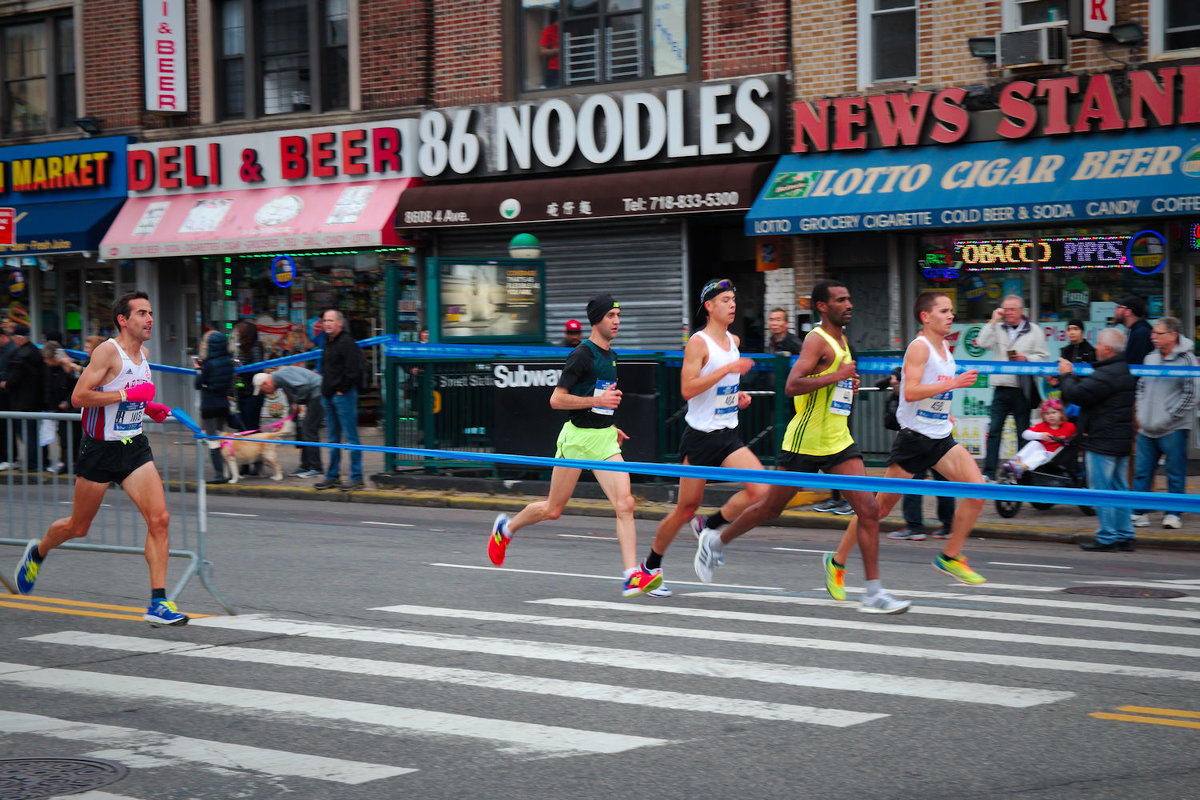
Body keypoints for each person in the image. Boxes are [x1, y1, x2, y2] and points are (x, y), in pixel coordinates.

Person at [693, 280, 911, 614]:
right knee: (770, 508)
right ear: (823, 307)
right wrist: (835, 377)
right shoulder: (815, 340)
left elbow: (831, 384)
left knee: (868, 510)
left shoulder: (842, 339)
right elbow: (793, 385)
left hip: (838, 440)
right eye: (841, 300)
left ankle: (873, 592)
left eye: (850, 298)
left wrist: (847, 385)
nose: (848, 304)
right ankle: (716, 540)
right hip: (804, 443)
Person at [11, 290, 187, 625]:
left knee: (160, 520)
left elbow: (131, 399)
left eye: (150, 312)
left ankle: (158, 602)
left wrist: (148, 407)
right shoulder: (108, 351)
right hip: (99, 450)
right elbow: (79, 396)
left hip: (133, 446)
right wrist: (127, 394)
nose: (150, 319)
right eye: (142, 313)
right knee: (78, 527)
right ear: (123, 320)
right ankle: (38, 551)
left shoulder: (144, 355)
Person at [488, 294, 663, 598]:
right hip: (576, 440)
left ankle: (631, 575)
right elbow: (556, 400)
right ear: (596, 320)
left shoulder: (612, 356)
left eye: (618, 315)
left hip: (604, 439)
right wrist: (597, 402)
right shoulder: (581, 355)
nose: (617, 321)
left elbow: (602, 400)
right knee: (553, 510)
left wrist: (609, 423)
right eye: (610, 316)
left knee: (626, 503)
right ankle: (506, 529)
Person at [827, 290, 989, 597]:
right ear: (926, 317)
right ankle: (837, 562)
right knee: (875, 510)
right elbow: (911, 392)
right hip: (915, 440)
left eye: (951, 310)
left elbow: (935, 391)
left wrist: (946, 412)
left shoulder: (944, 347)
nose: (950, 315)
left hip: (940, 437)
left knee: (979, 490)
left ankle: (950, 556)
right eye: (943, 311)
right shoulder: (920, 347)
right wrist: (954, 384)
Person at [643, 279, 765, 597]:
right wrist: (727, 372)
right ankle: (650, 568)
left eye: (733, 299)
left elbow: (719, 388)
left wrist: (737, 396)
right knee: (685, 508)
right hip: (699, 437)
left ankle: (710, 526)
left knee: (762, 491)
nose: (732, 304)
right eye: (725, 299)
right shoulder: (698, 343)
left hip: (728, 434)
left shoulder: (733, 341)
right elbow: (688, 389)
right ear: (709, 307)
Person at [1058, 327, 1136, 552]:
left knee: (1101, 489)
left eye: (1099, 344)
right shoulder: (1122, 370)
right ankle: (1125, 534)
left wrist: (1066, 375)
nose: (1095, 348)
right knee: (1120, 487)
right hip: (1119, 440)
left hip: (1103, 441)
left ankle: (1107, 536)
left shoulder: (1107, 373)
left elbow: (1078, 395)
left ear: (1108, 349)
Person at [1130, 316, 1196, 530]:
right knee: (1142, 472)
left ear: (1173, 335)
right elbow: (1141, 384)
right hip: (1147, 428)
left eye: (1158, 333)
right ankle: (1139, 512)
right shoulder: (1150, 358)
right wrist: (1140, 409)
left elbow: (1191, 393)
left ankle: (1173, 513)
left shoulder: (1187, 359)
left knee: (1174, 473)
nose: (1153, 337)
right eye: (1154, 333)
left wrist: (1170, 416)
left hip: (1173, 428)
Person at [878, 368, 956, 541]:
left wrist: (898, 389)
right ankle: (946, 526)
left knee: (916, 484)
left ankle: (917, 528)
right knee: (941, 484)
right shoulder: (933, 376)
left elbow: (903, 410)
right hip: (936, 436)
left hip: (919, 440)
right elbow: (891, 421)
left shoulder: (919, 378)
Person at [976, 295, 1048, 479]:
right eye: (1005, 309)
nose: (1007, 313)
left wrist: (1027, 359)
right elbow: (982, 343)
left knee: (1023, 433)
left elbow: (1043, 359)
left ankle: (1021, 473)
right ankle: (989, 473)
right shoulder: (998, 327)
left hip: (1021, 389)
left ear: (1021, 311)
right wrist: (992, 321)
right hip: (1001, 387)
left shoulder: (1035, 331)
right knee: (993, 432)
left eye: (1011, 309)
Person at [315, 309, 365, 491]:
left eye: (330, 320)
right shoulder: (327, 342)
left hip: (342, 396)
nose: (326, 323)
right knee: (332, 438)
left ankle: (356, 477)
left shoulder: (347, 342)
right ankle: (332, 475)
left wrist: (341, 390)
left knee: (351, 437)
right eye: (325, 320)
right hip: (329, 396)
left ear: (340, 323)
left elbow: (354, 370)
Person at [253, 367, 324, 478]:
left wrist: (297, 401)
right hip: (314, 395)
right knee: (303, 430)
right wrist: (283, 423)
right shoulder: (281, 381)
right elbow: (292, 404)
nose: (265, 394)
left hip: (317, 393)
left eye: (263, 390)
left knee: (309, 430)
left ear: (266, 383)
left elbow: (304, 386)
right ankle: (305, 466)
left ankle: (316, 468)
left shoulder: (282, 375)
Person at [195, 328, 235, 484]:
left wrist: (199, 370)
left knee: (212, 440)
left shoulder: (209, 364)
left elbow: (197, 385)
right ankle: (228, 470)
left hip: (209, 405)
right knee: (222, 438)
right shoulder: (229, 362)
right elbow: (231, 384)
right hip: (223, 404)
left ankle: (220, 474)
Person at [3, 323, 44, 472]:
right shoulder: (35, 351)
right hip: (34, 401)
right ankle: (37, 460)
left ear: (19, 338)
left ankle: (32, 463)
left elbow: (13, 380)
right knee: (33, 433)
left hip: (21, 402)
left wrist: (4, 384)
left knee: (26, 434)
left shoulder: (20, 355)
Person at [1004, 398, 1077, 478]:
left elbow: (1077, 438)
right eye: (1047, 414)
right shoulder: (1042, 426)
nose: (1051, 416)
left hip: (1056, 456)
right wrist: (1040, 435)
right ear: (1043, 416)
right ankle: (1016, 462)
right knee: (1034, 443)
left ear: (1061, 413)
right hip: (1042, 452)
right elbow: (1025, 434)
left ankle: (1022, 467)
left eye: (1054, 412)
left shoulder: (1069, 426)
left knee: (1040, 453)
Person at [233, 320, 267, 474]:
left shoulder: (256, 347)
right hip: (242, 393)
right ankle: (245, 463)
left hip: (254, 393)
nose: (237, 334)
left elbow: (257, 369)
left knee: (252, 429)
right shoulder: (241, 348)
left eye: (240, 331)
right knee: (243, 428)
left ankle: (257, 464)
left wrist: (240, 370)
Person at [1045, 318, 1096, 396]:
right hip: (1067, 396)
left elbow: (1094, 377)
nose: (1071, 332)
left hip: (1084, 395)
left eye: (1075, 329)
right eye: (1069, 329)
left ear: (1081, 331)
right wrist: (1055, 382)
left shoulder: (1090, 351)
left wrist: (1073, 375)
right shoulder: (1065, 351)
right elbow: (1061, 377)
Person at [1115, 295, 1153, 366]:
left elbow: (1135, 365)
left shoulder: (1141, 333)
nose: (1115, 310)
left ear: (1128, 312)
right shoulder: (1136, 330)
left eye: (1119, 307)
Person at [0, 324, 14, 470]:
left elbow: (6, 372)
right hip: (5, 396)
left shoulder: (10, 351)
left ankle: (7, 457)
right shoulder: (6, 350)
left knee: (5, 428)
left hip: (6, 397)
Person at [539, 20, 560, 88]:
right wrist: (556, 51)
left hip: (569, 66)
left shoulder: (569, 27)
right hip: (554, 68)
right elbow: (542, 51)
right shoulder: (548, 30)